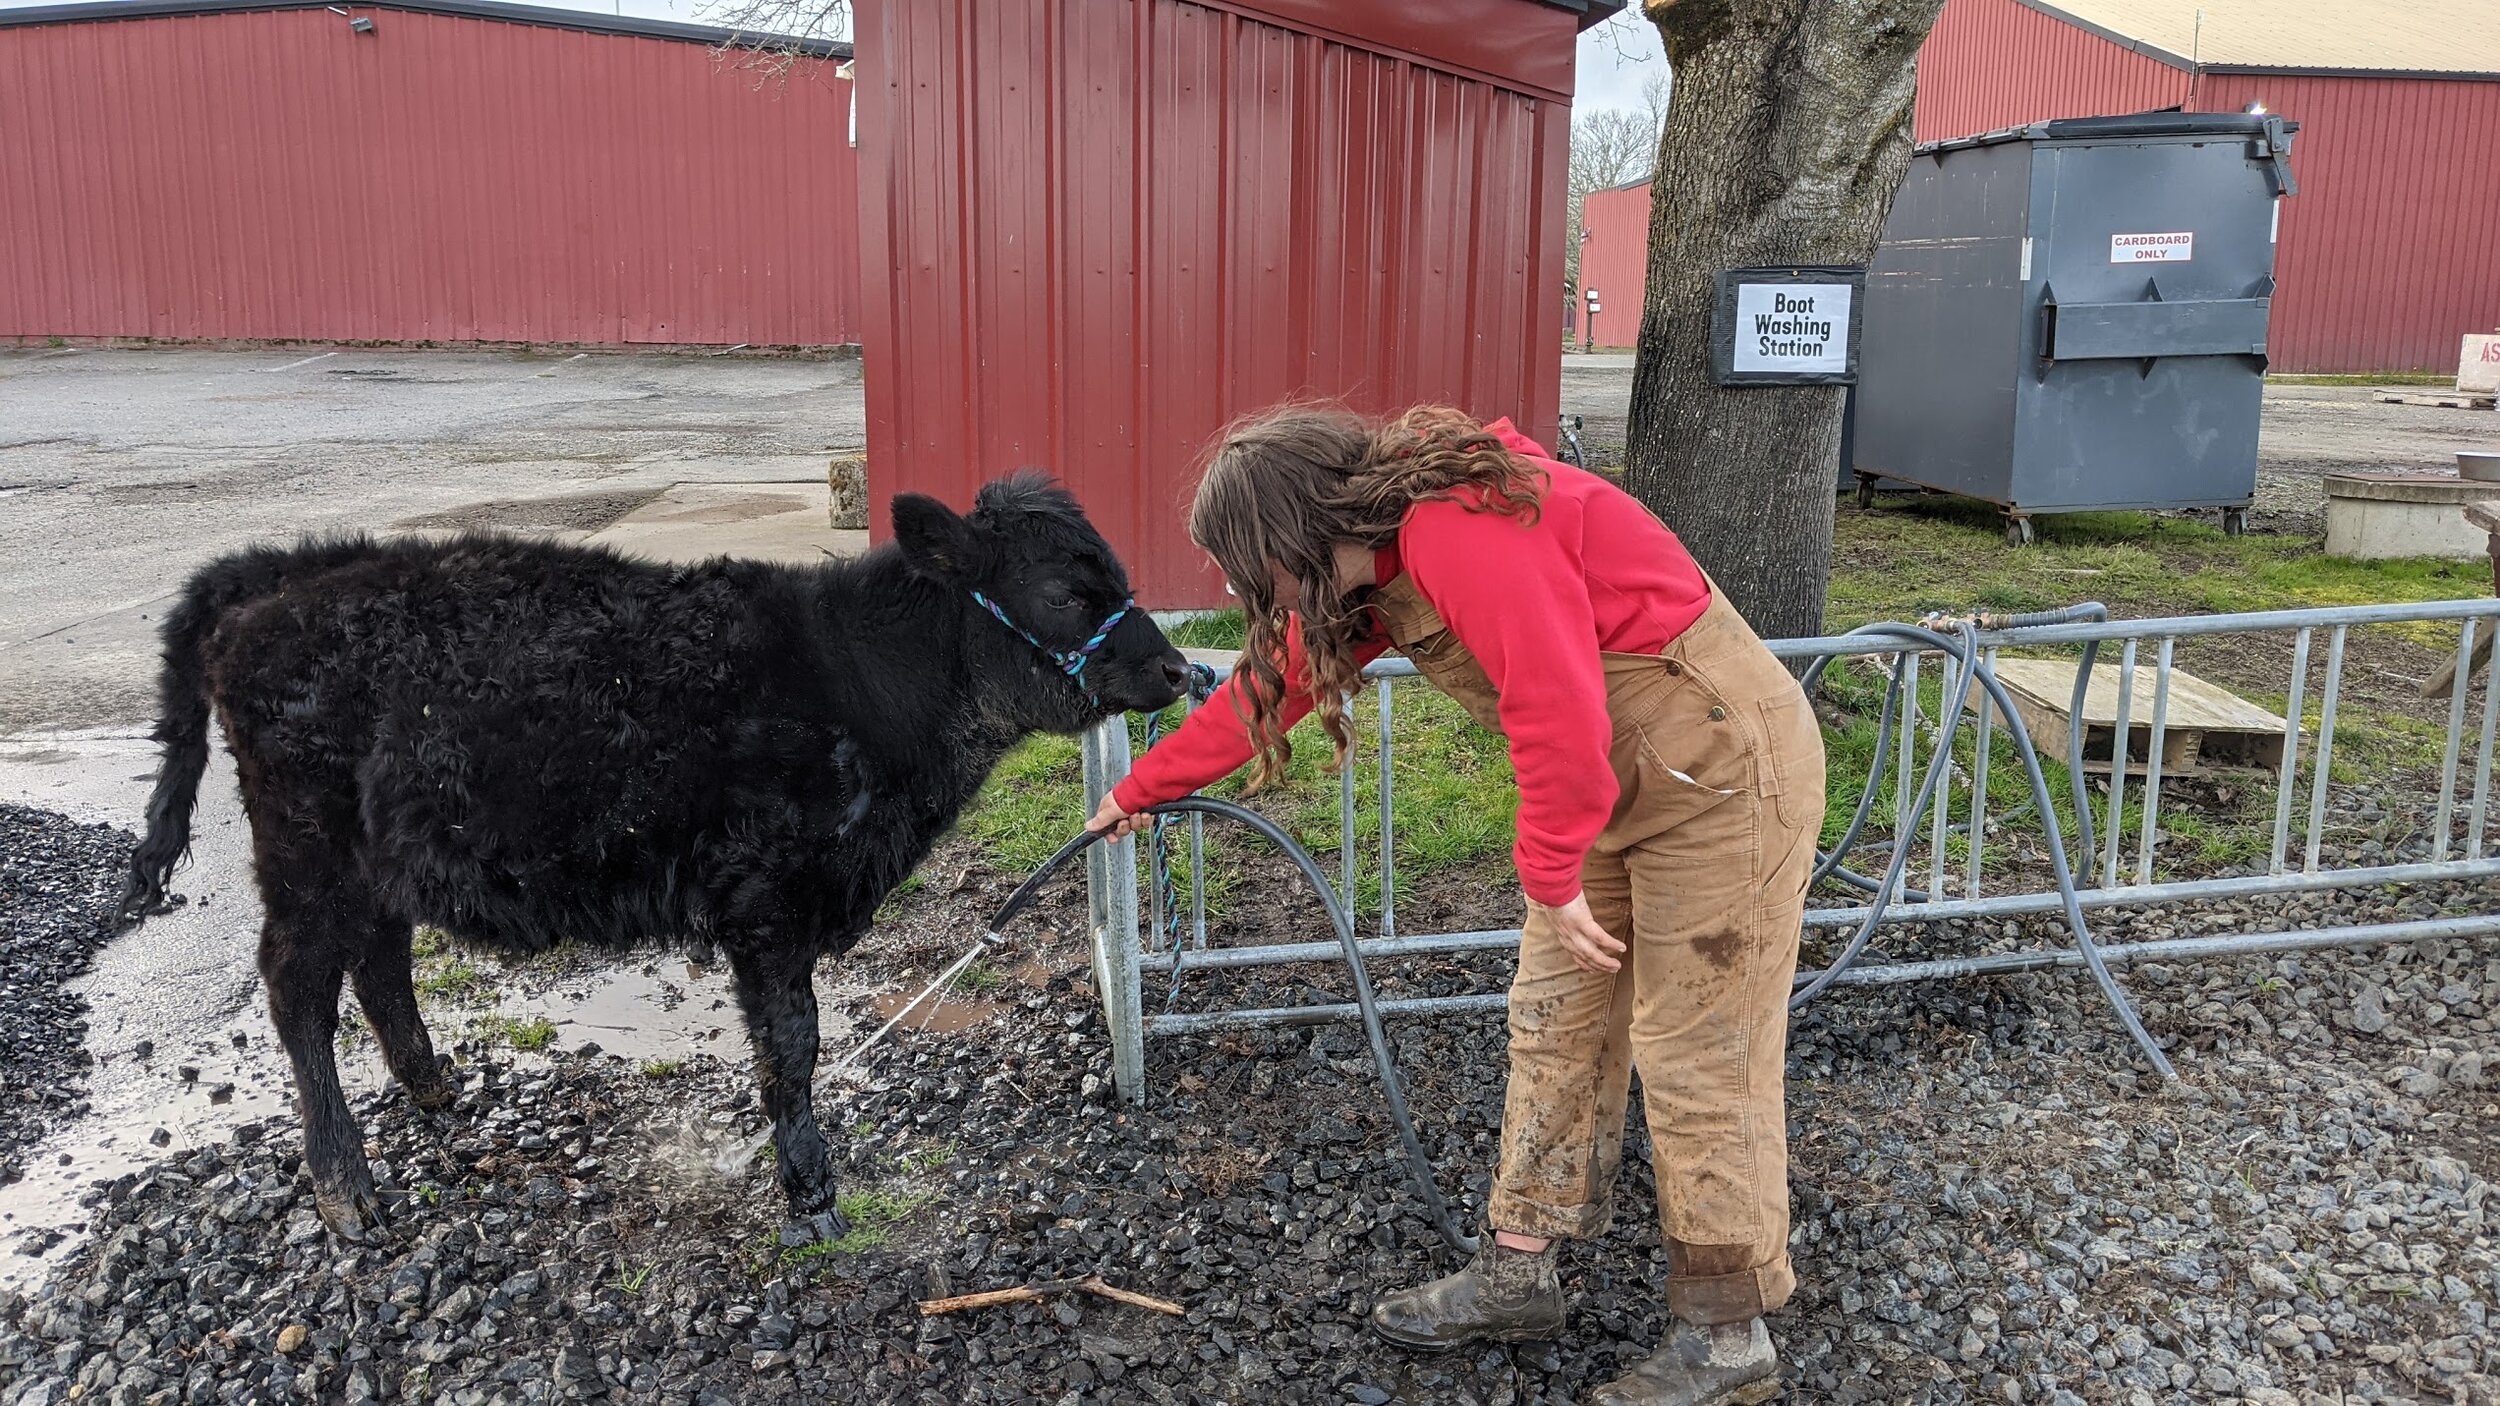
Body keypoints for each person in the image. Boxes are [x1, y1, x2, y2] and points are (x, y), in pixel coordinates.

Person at [1089, 405, 1826, 1406]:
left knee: (1697, 1043)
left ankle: (1724, 1334)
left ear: (1291, 535)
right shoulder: (1370, 567)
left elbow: (1556, 702)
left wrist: (1552, 869)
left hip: (1722, 764)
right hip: (1616, 777)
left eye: (1242, 562)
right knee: (1552, 1019)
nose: (1238, 586)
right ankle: (1519, 1274)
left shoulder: (1457, 531)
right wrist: (1139, 792)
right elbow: (1269, 687)